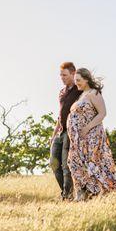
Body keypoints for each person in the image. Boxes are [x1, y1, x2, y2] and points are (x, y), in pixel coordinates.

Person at [66, 68, 116, 201]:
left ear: (87, 79)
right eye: (75, 80)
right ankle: (83, 193)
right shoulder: (82, 95)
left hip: (91, 136)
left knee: (93, 164)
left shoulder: (94, 93)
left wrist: (87, 128)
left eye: (79, 80)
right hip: (78, 139)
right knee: (74, 162)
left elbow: (102, 113)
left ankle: (105, 190)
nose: (76, 83)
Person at [50, 62, 83, 200]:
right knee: (54, 163)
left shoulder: (80, 90)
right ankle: (66, 193)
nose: (62, 78)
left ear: (73, 73)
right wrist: (53, 135)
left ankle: (67, 195)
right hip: (60, 131)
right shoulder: (62, 92)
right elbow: (60, 115)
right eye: (60, 75)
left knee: (66, 165)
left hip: (71, 132)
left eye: (65, 75)